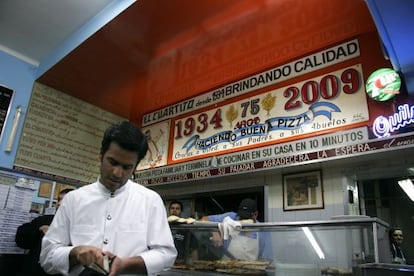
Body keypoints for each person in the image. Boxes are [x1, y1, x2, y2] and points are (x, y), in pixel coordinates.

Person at [39, 121, 177, 276]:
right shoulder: (74, 199)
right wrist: (75, 253)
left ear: (135, 166)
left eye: (127, 167)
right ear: (101, 155)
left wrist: (125, 265)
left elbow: (166, 255)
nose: (117, 173)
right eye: (112, 162)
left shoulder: (150, 200)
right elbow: (47, 257)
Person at [15, 188, 74, 276]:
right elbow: (21, 240)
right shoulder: (44, 220)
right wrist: (39, 229)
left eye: (65, 200)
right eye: (59, 199)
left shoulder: (82, 228)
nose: (59, 203)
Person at [200, 198, 273, 261]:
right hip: (227, 266)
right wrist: (214, 230)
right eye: (241, 217)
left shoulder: (262, 230)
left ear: (256, 214)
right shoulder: (231, 217)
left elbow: (267, 259)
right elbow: (204, 220)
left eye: (247, 218)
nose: (242, 221)